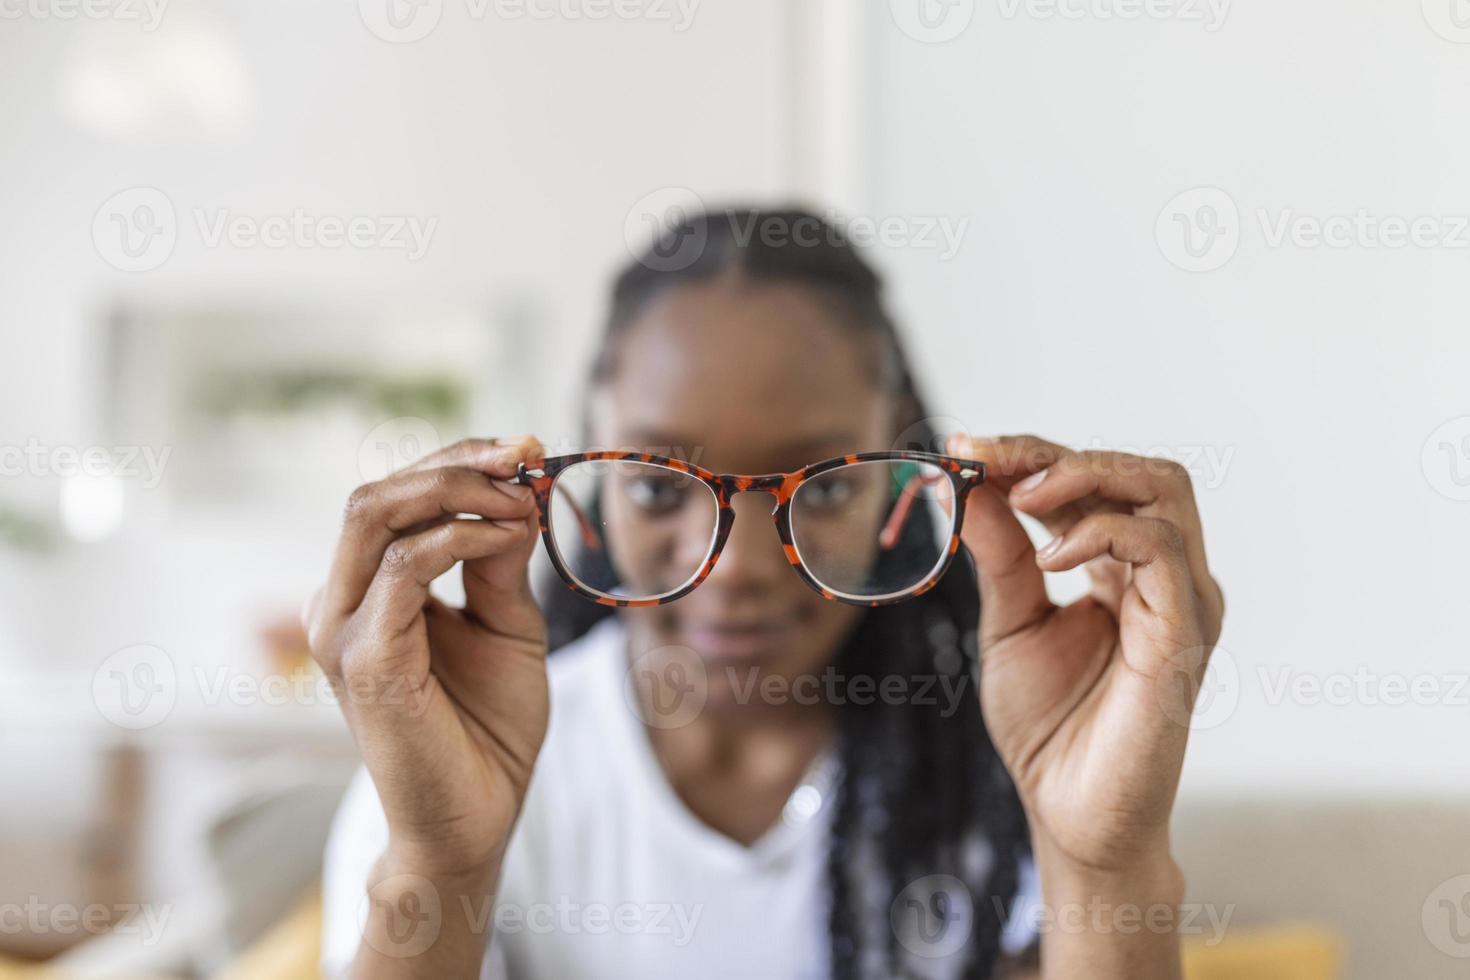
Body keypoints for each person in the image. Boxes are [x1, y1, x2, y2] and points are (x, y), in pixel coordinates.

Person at [314, 208, 1224, 979]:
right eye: (658, 485)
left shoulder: (999, 765)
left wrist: (1104, 868)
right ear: (585, 471)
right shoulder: (452, 779)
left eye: (825, 486)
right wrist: (441, 863)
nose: (741, 568)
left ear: (900, 484)